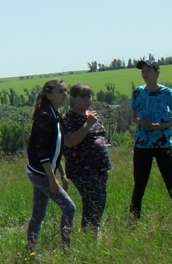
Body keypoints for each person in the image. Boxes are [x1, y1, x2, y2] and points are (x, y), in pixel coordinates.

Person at [128, 59, 172, 219]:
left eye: (148, 71)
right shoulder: (137, 93)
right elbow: (133, 116)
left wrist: (161, 126)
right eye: (143, 72)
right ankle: (133, 220)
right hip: (142, 144)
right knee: (139, 184)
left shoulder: (167, 93)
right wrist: (142, 122)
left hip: (163, 144)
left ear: (157, 73)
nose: (145, 74)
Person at [24, 79, 75, 253]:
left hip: (43, 172)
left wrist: (62, 174)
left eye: (65, 91)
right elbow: (42, 152)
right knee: (69, 208)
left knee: (38, 215)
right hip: (40, 173)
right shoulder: (45, 117)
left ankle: (29, 251)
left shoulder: (55, 114)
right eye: (61, 91)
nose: (65, 95)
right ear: (49, 95)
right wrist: (52, 180)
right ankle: (66, 250)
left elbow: (55, 150)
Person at [61, 83, 113, 232]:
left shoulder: (92, 115)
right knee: (94, 198)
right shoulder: (69, 118)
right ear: (73, 98)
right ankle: (90, 232)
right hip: (82, 169)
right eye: (83, 96)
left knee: (98, 199)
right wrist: (87, 124)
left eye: (89, 96)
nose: (87, 99)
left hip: (99, 167)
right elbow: (69, 141)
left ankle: (91, 232)